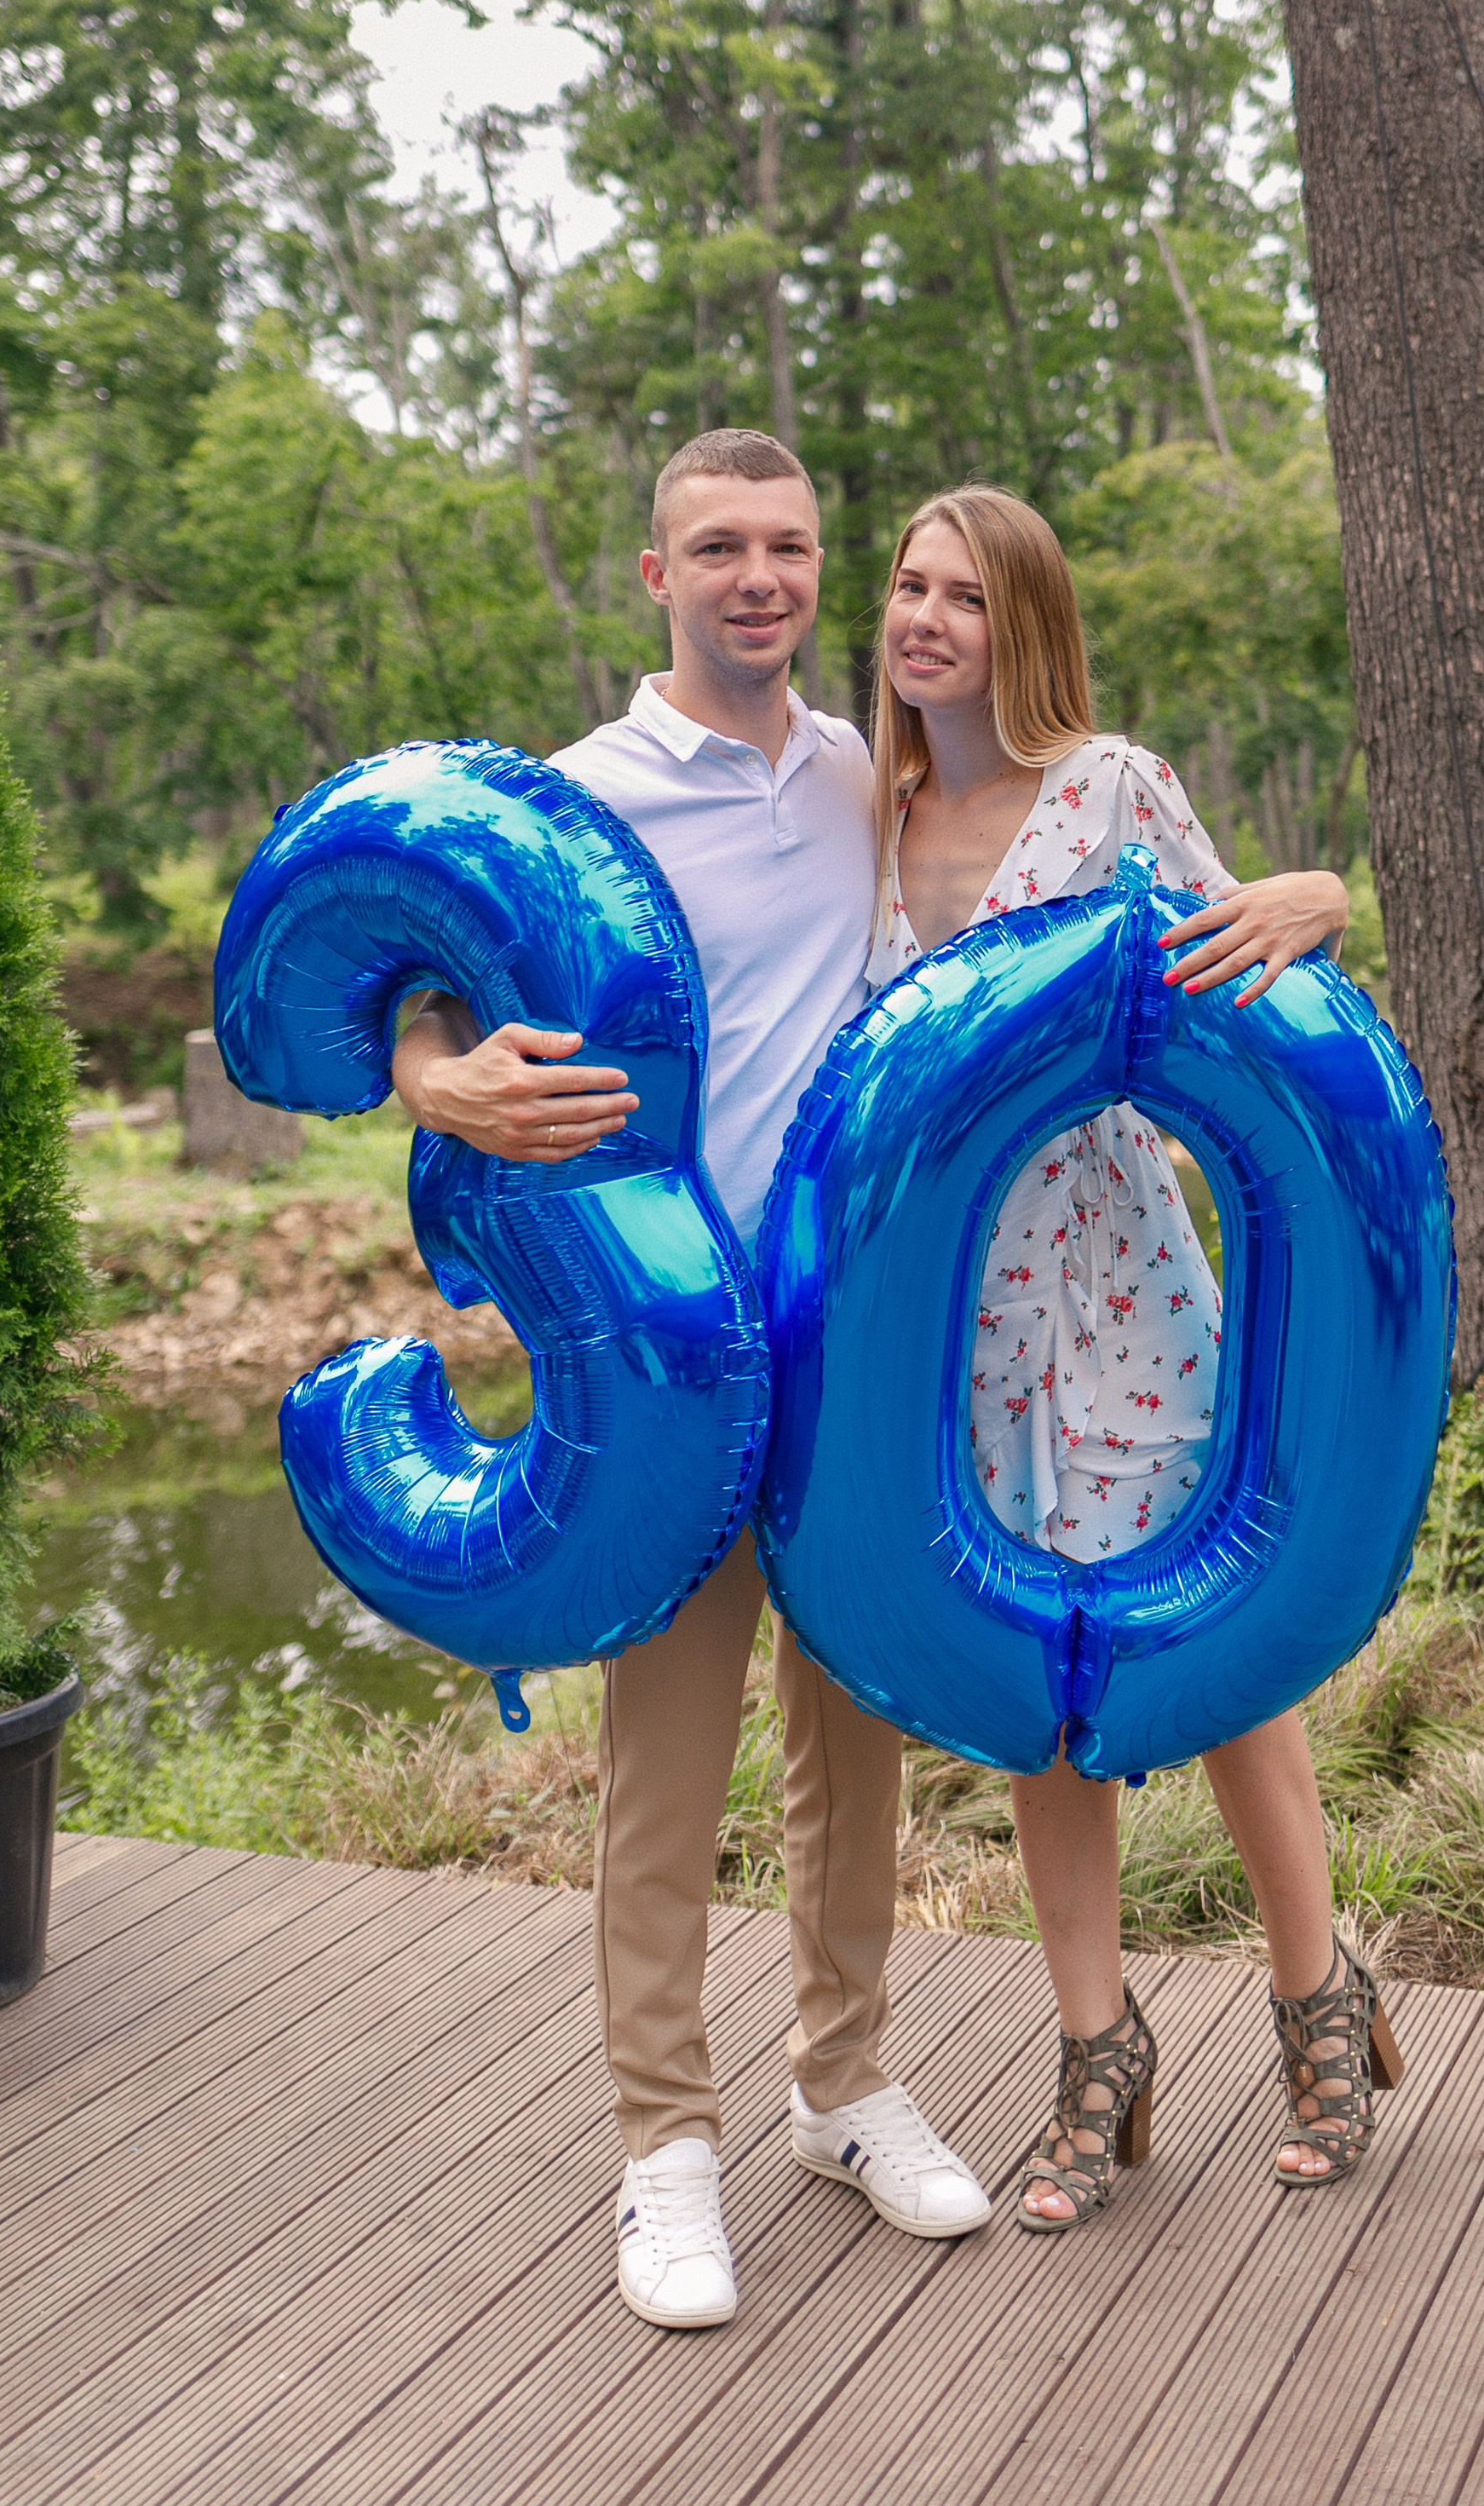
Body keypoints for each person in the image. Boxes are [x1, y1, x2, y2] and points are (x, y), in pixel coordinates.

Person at [391, 429, 991, 2336]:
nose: (759, 577)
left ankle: (842, 2083)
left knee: (857, 1738)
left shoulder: (866, 778)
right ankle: (664, 2147)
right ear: (654, 577)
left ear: (820, 574)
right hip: (658, 1364)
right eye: (716, 548)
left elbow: (1058, 849)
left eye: (789, 548)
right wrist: (437, 1078)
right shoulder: (568, 801)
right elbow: (414, 987)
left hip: (845, 1348)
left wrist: (1291, 894)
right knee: (663, 1767)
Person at [867, 482, 1402, 2230]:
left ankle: (1318, 2001)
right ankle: (1095, 2051)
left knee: (1227, 1658)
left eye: (964, 593)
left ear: (1022, 624)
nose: (923, 617)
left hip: (1122, 1298)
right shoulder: (865, 821)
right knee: (1040, 1699)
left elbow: (1253, 941)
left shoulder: (1105, 788)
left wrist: (1317, 891)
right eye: (906, 584)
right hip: (960, 1333)